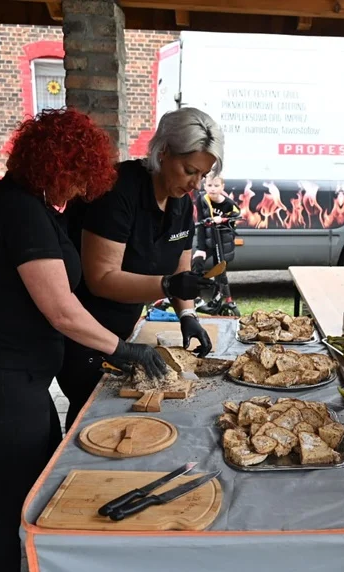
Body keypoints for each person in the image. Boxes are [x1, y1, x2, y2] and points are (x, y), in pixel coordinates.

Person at [0, 109, 167, 572]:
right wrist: (124, 351)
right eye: (76, 174)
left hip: (18, 377)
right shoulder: (20, 211)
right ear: (54, 165)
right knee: (7, 501)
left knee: (35, 488)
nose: (80, 187)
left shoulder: (31, 203)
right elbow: (61, 309)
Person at [58, 107, 224, 429]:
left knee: (126, 417)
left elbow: (181, 265)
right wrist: (167, 286)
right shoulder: (118, 192)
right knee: (92, 420)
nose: (195, 184)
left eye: (202, 176)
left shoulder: (181, 203)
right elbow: (101, 279)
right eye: (190, 170)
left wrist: (187, 315)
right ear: (163, 153)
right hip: (84, 334)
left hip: (125, 330)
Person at [195, 173, 241, 315]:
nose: (212, 189)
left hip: (222, 244)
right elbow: (202, 224)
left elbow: (236, 215)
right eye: (209, 185)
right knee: (196, 263)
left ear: (222, 187)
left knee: (220, 273)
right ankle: (196, 298)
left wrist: (222, 219)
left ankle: (217, 301)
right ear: (204, 186)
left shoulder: (228, 204)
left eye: (216, 186)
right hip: (208, 242)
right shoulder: (202, 199)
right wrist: (200, 248)